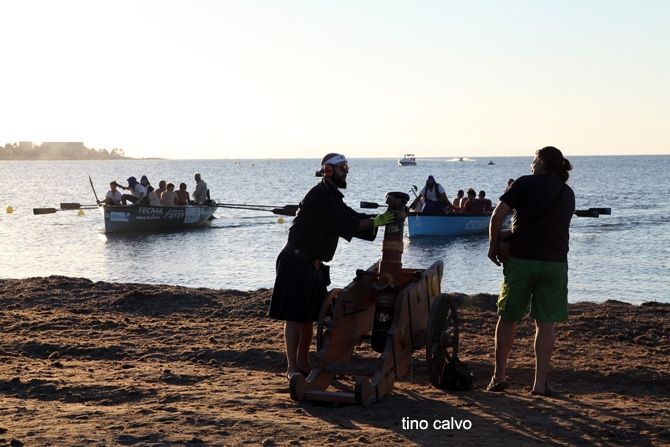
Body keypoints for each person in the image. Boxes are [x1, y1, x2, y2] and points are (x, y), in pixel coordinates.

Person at [269, 153, 394, 379]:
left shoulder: (332, 195)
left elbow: (352, 216)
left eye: (347, 168)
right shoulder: (320, 195)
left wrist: (380, 218)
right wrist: (376, 221)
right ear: (328, 170)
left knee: (308, 317)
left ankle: (303, 363)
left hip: (312, 264)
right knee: (294, 317)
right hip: (295, 261)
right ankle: (292, 368)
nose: (346, 172)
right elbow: (347, 223)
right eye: (342, 168)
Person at [486, 146, 575, 396]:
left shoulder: (524, 183)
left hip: (522, 260)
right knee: (546, 324)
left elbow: (497, 216)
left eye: (534, 160)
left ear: (542, 162)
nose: (531, 164)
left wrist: (493, 246)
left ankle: (499, 377)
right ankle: (540, 384)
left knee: (509, 317)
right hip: (555, 262)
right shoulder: (567, 193)